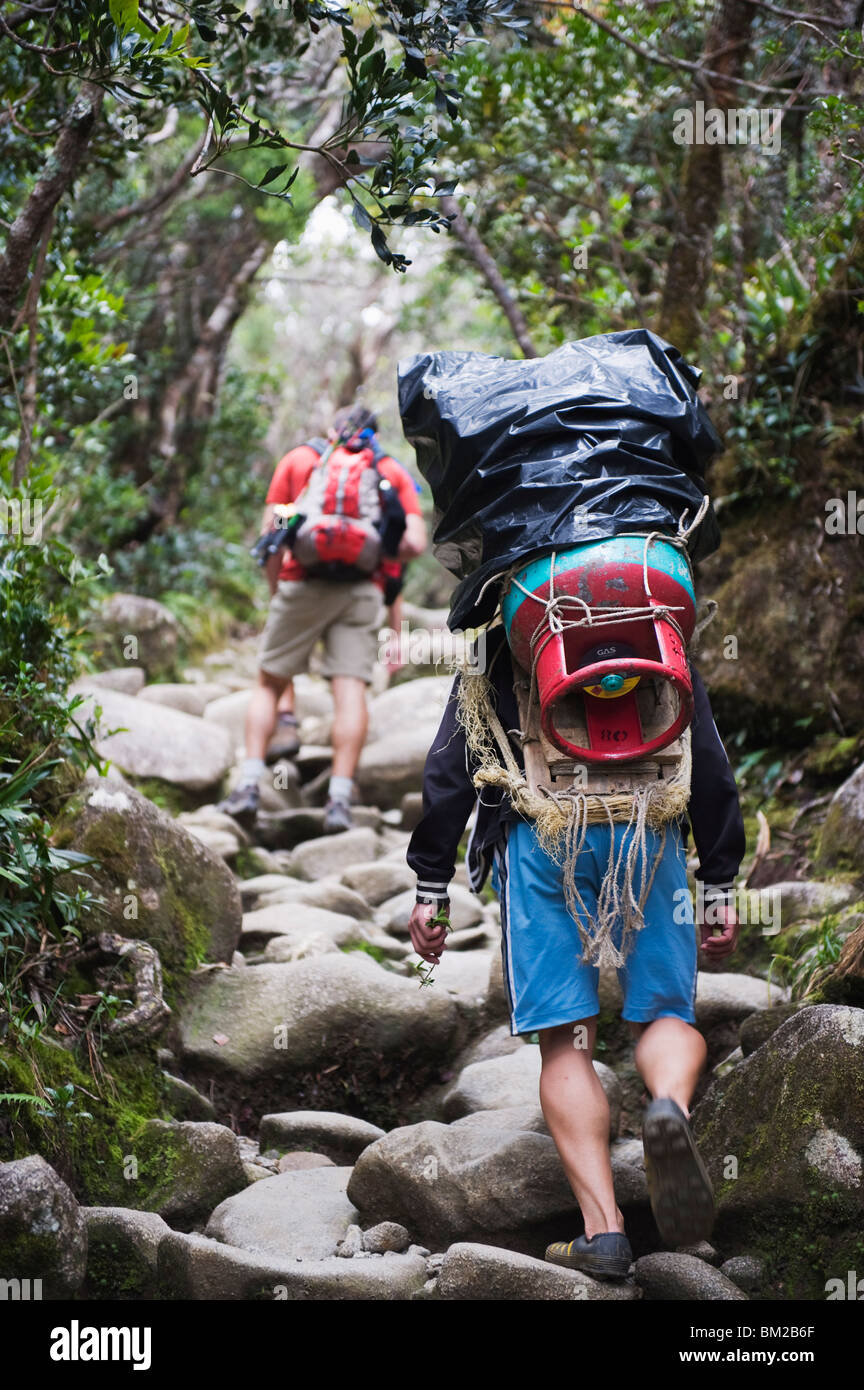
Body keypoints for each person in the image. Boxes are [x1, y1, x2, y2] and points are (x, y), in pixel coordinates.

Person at [406, 622, 745, 1278]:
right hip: (650, 831)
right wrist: (720, 884)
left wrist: (429, 885)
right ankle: (667, 1106)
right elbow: (706, 751)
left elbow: (451, 764)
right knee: (666, 1013)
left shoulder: (503, 625)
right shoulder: (653, 614)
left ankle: (605, 1232)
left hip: (543, 837)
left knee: (567, 1040)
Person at [221, 404, 427, 833]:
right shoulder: (388, 469)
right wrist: (377, 549)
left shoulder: (300, 461)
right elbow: (415, 544)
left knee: (269, 682)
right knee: (350, 690)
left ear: (332, 428)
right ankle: (338, 800)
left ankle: (248, 787)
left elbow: (272, 534)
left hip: (303, 584)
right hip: (361, 592)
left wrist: (279, 588)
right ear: (373, 434)